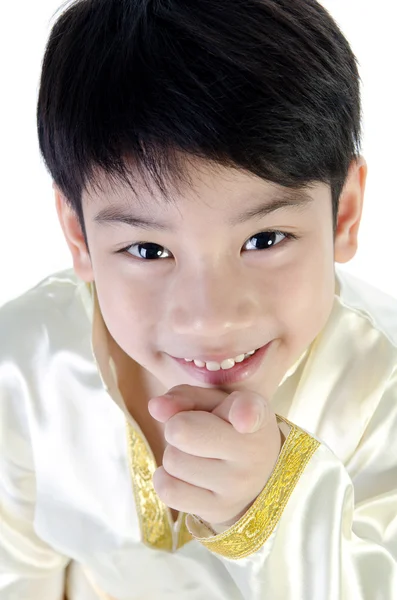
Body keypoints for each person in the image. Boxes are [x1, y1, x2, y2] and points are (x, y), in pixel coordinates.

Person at [1, 0, 396, 597]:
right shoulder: (26, 364)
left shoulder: (379, 390)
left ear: (343, 213)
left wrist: (270, 509)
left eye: (264, 240)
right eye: (148, 251)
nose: (211, 318)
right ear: (78, 234)